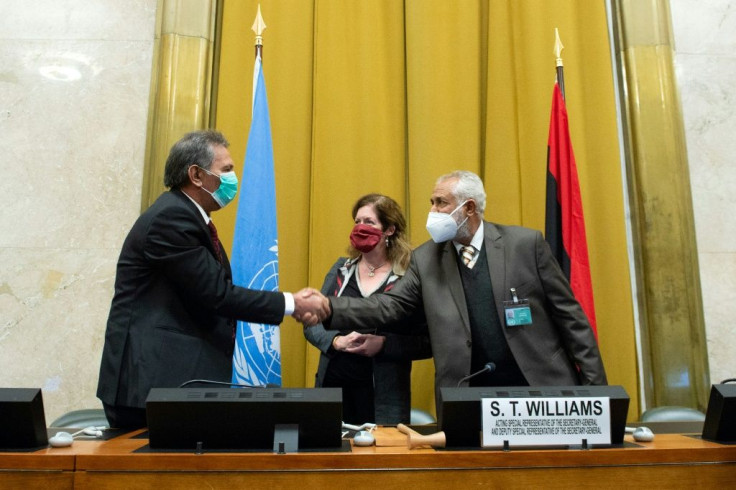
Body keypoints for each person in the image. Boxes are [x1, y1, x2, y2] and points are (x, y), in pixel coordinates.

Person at [96, 129, 328, 429]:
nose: (233, 179)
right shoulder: (171, 219)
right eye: (226, 170)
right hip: (150, 385)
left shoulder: (188, 218)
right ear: (196, 175)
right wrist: (291, 303)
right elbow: (217, 294)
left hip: (169, 384)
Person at [323, 170, 606, 406]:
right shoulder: (425, 259)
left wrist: (597, 394)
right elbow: (388, 305)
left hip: (540, 389)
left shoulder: (524, 245)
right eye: (432, 202)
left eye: (440, 203)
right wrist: (327, 307)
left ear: (468, 207)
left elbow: (572, 320)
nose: (432, 211)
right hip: (467, 395)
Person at [304, 194, 430, 425]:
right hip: (333, 389)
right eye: (357, 221)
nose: (360, 228)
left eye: (369, 222)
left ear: (390, 230)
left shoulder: (409, 277)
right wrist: (335, 342)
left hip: (384, 400)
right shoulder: (341, 269)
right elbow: (312, 322)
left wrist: (383, 345)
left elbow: (427, 342)